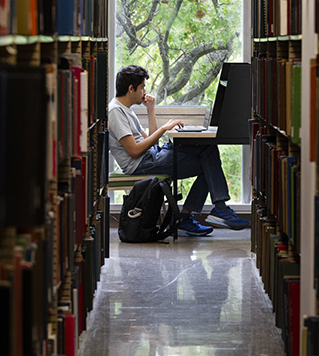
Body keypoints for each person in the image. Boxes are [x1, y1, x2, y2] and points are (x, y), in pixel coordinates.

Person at [107, 65, 250, 236]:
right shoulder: (115, 112)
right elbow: (134, 151)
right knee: (208, 160)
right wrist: (165, 128)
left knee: (208, 152)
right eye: (142, 87)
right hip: (141, 164)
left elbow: (149, 140)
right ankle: (209, 211)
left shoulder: (126, 110)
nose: (144, 91)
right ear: (131, 89)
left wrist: (150, 110)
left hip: (152, 155)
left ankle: (201, 213)